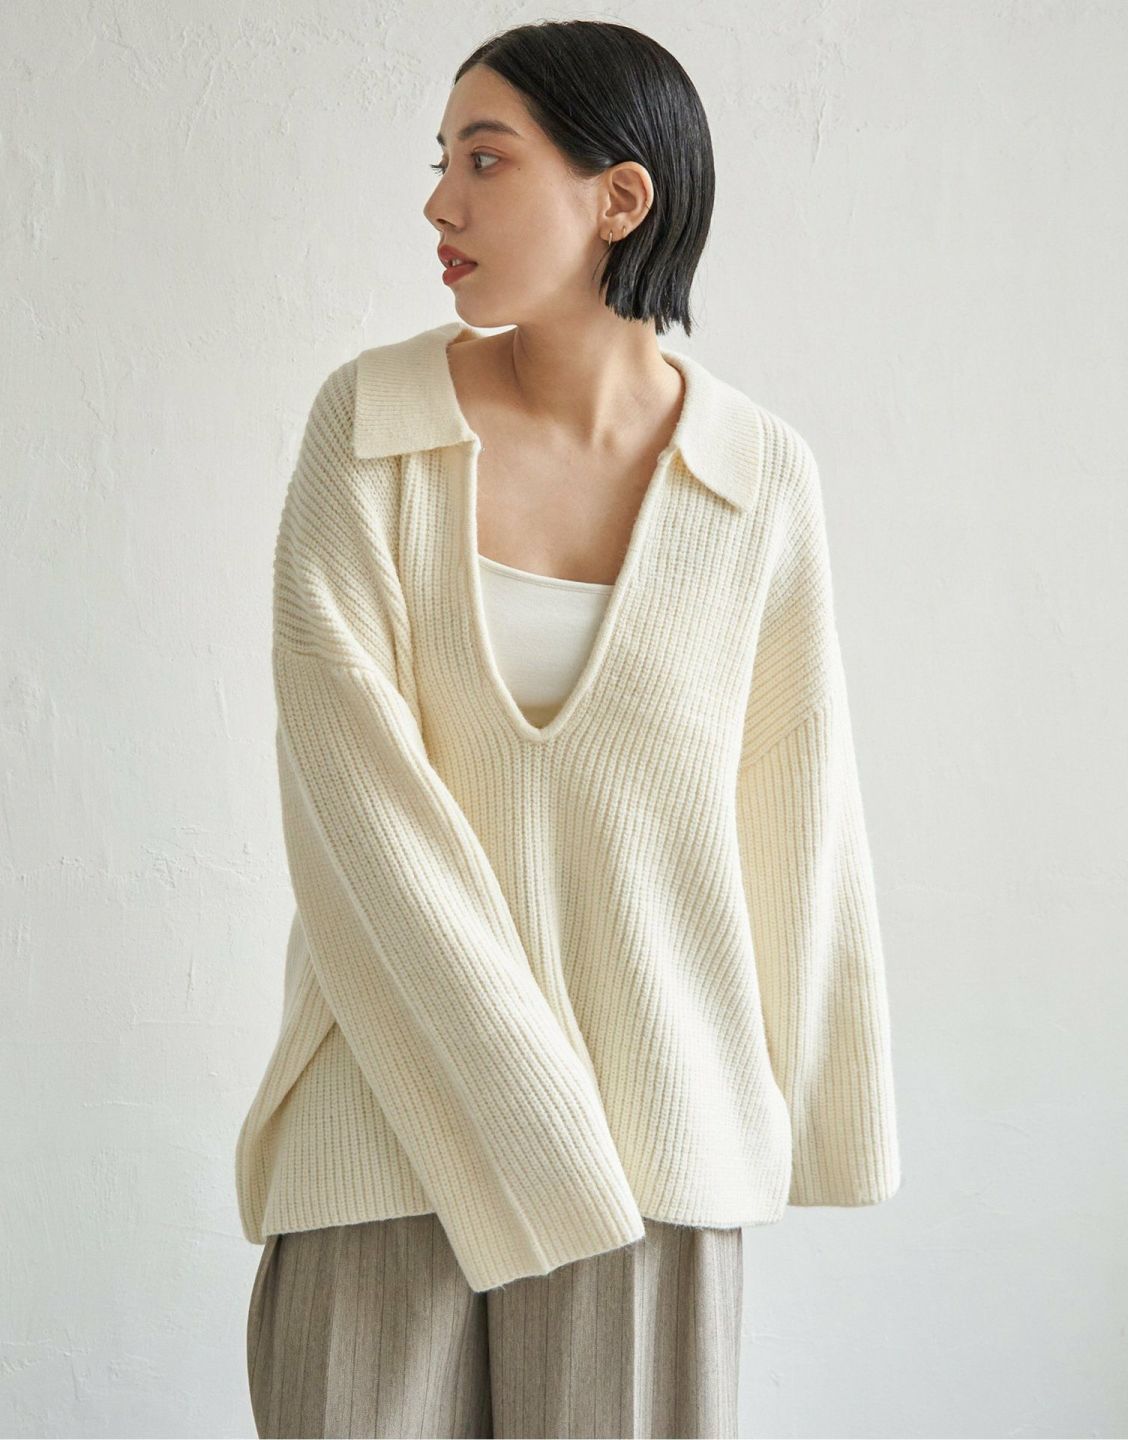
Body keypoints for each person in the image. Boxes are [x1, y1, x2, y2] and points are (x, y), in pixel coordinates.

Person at [235, 19, 902, 1440]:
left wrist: (817, 1117)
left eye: (486, 160)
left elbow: (798, 809)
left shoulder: (756, 480)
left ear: (620, 197)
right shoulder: (369, 429)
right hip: (384, 1126)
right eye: (440, 161)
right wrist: (528, 1110)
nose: (439, 201)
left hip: (655, 1150)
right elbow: (355, 806)